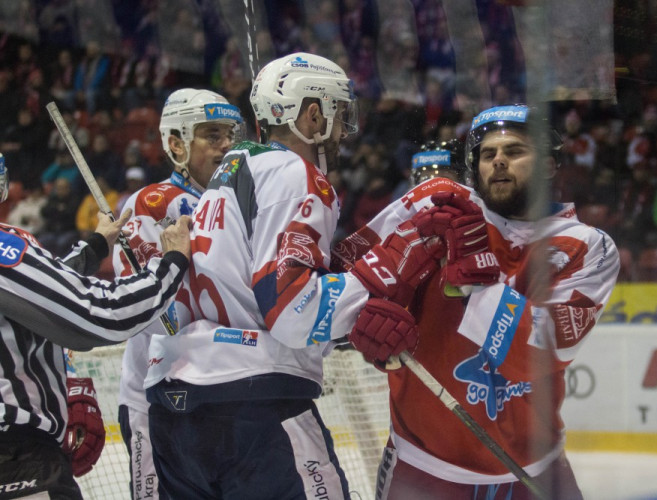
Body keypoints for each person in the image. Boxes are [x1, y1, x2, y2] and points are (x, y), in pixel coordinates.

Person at [144, 52, 462, 499]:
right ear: (312, 114)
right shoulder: (297, 173)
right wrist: (399, 257)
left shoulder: (231, 171)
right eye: (338, 113)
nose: (340, 130)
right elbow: (294, 310)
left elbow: (280, 273)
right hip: (253, 409)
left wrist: (405, 215)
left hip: (177, 411)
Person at [331, 104, 620, 499]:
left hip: (534, 471)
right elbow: (345, 282)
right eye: (488, 154)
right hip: (424, 468)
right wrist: (373, 330)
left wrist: (474, 279)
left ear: (550, 166)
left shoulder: (587, 246)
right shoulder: (434, 205)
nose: (499, 161)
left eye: (515, 151)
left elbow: (542, 349)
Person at [0, 153, 192, 500]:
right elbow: (101, 313)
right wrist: (171, 264)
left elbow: (25, 294)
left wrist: (93, 248)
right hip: (15, 458)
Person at [114, 88, 244, 500]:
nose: (226, 146)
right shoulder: (153, 204)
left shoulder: (240, 205)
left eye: (230, 135)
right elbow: (150, 312)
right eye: (212, 135)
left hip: (228, 396)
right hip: (157, 403)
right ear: (176, 144)